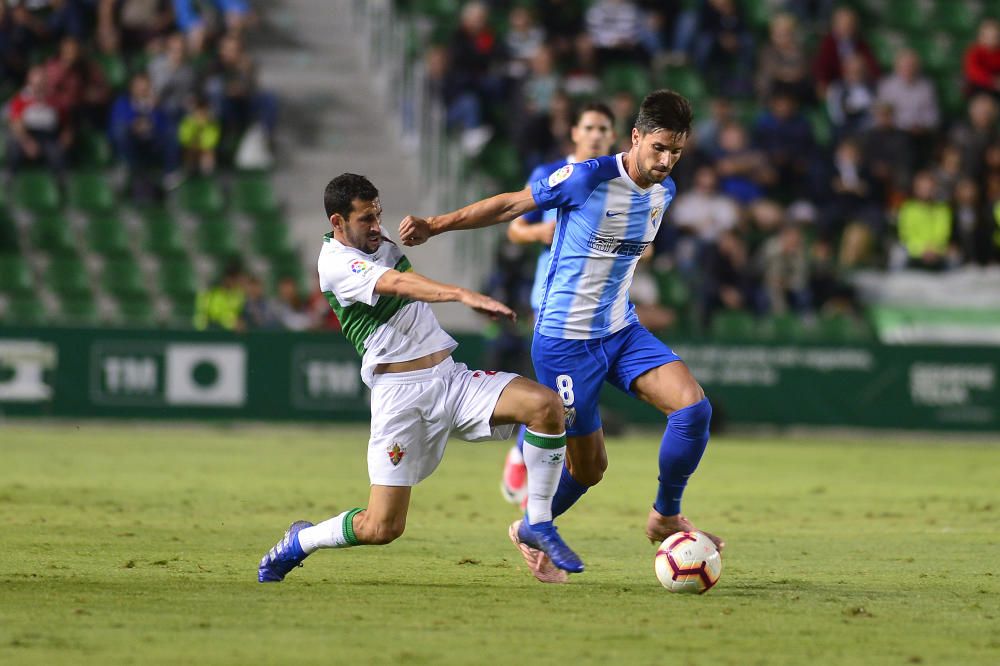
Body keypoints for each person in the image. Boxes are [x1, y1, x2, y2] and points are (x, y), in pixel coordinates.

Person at [400, 90, 724, 582]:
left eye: (676, 151)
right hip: (565, 342)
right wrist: (435, 224)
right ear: (635, 137)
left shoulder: (665, 192)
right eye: (658, 148)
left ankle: (664, 514)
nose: (666, 160)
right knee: (590, 468)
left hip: (620, 330)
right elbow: (511, 205)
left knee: (694, 409)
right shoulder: (588, 178)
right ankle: (532, 527)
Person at [257, 174, 583, 584]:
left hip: (450, 379)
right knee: (382, 527)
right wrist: (461, 295)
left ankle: (536, 527)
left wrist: (429, 225)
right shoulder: (335, 264)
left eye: (378, 214)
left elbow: (431, 235)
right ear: (337, 222)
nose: (377, 226)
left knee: (545, 406)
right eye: (365, 220)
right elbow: (398, 283)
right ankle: (300, 541)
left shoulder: (376, 238)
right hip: (400, 398)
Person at [500, 102, 617, 511]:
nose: (597, 134)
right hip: (553, 295)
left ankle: (527, 455)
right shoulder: (552, 174)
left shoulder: (617, 181)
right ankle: (522, 455)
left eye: (604, 128)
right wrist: (542, 233)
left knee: (568, 393)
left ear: (614, 136)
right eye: (590, 127)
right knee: (556, 390)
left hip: (601, 299)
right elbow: (515, 228)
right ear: (575, 133)